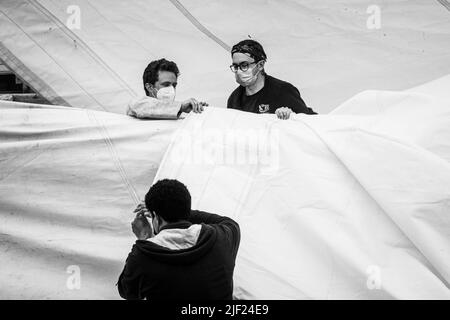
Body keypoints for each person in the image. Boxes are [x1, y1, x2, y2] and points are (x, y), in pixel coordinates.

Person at [117, 179, 241, 300]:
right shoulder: (222, 237)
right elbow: (229, 222)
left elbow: (128, 292)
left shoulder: (143, 255)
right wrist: (178, 211)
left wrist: (144, 237)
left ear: (157, 218)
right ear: (187, 209)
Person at [227, 39, 317, 119]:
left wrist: (292, 115)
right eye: (235, 66)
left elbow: (310, 122)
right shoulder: (234, 99)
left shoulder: (283, 91)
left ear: (260, 65)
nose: (239, 71)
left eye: (244, 65)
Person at [127, 58, 208, 119]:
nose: (171, 89)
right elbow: (141, 106)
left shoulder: (179, 117)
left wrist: (197, 113)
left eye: (174, 85)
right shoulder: (137, 105)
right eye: (166, 84)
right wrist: (180, 107)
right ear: (150, 87)